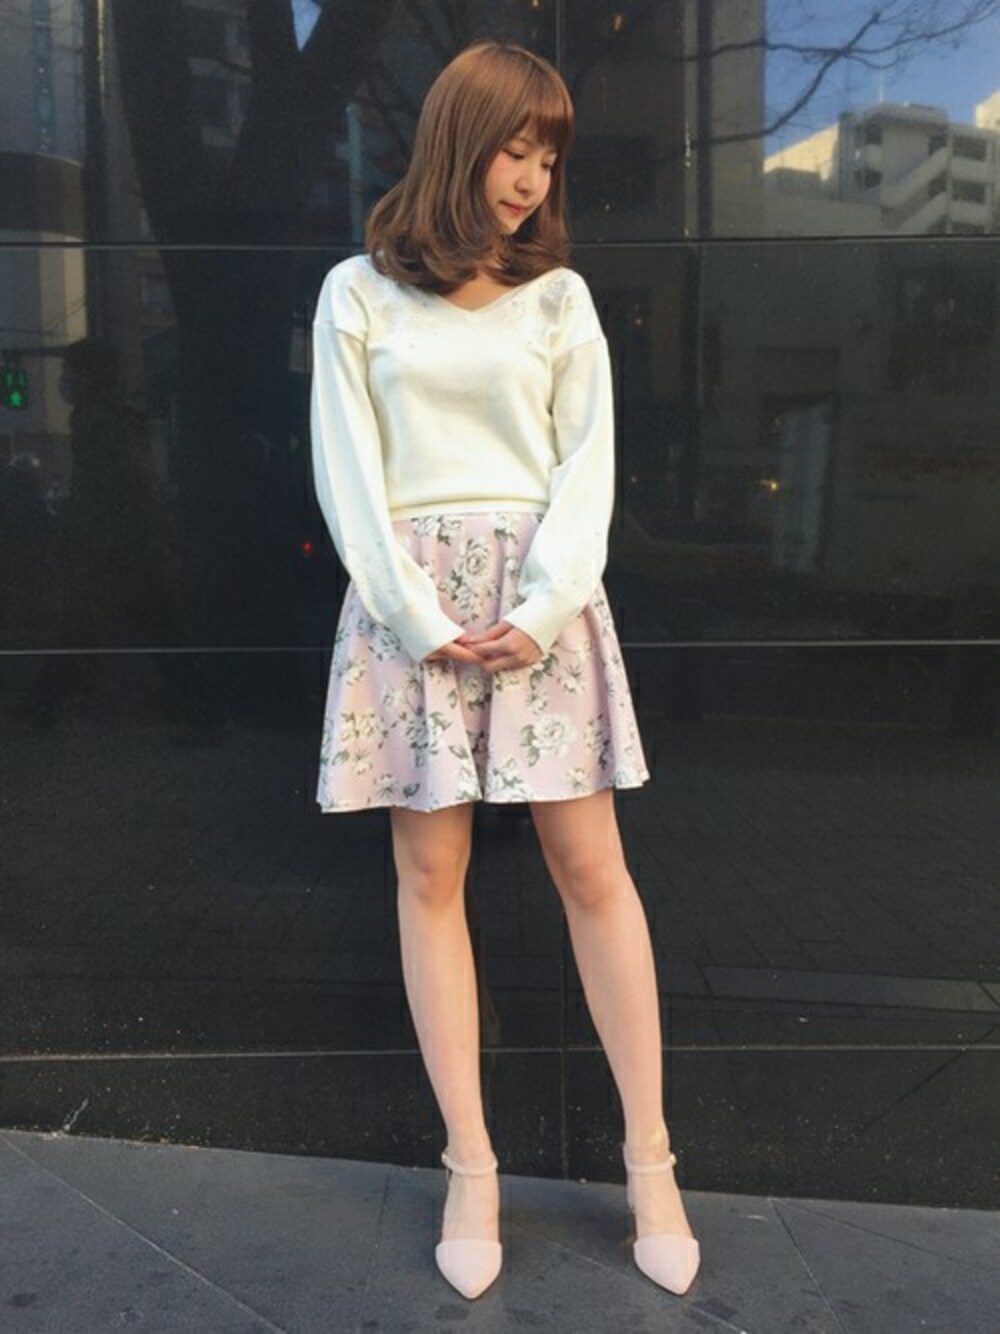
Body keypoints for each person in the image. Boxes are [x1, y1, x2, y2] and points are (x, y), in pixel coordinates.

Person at [309, 39, 700, 1302]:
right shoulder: (357, 293)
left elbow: (587, 465)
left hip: (543, 604)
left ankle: (652, 1163)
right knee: (431, 876)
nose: (531, 177)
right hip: (409, 609)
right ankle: (468, 1165)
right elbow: (346, 467)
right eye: (512, 147)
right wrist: (414, 615)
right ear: (456, 140)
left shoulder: (559, 300)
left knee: (593, 870)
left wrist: (539, 609)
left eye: (548, 155)